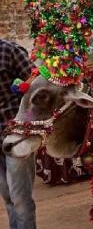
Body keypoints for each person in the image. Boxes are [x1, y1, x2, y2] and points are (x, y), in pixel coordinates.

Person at [0, 39, 36, 229]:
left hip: (16, 136)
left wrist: (26, 123)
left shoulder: (9, 51)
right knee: (7, 197)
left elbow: (36, 82)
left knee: (20, 199)